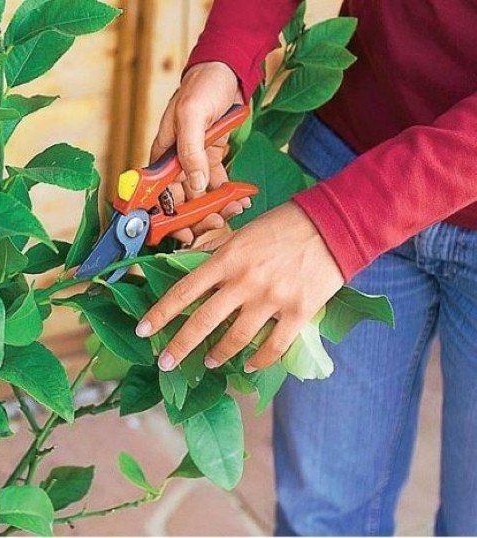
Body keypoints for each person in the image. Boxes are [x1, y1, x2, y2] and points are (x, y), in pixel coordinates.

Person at [134, 1, 477, 535]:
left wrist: (338, 226)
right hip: (354, 145)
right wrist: (225, 56)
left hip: (351, 198)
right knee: (319, 511)